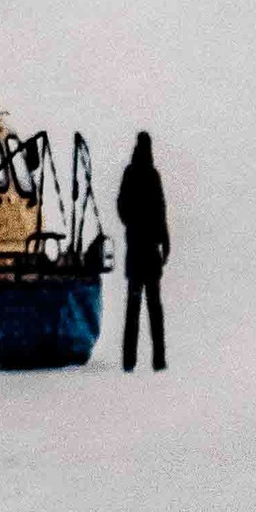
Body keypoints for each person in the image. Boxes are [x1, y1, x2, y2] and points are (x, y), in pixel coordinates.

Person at [113, 129, 169, 374]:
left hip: (138, 251)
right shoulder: (148, 174)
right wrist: (163, 240)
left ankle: (131, 361)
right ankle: (156, 360)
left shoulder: (132, 173)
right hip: (145, 252)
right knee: (151, 309)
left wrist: (134, 226)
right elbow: (160, 211)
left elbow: (123, 207)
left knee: (136, 308)